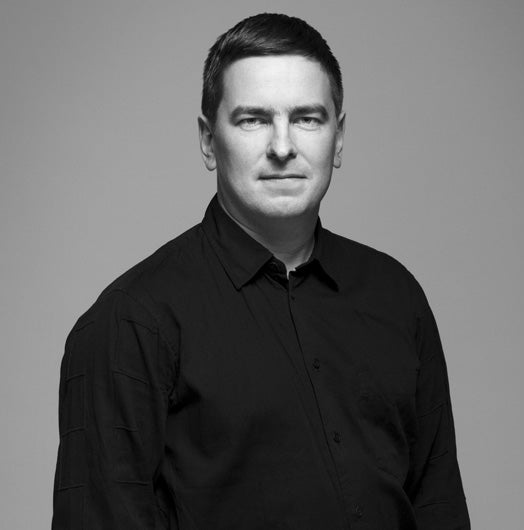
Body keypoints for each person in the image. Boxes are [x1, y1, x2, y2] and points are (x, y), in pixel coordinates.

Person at [52, 13, 470, 530]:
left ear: (339, 138)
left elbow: (439, 506)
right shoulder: (130, 322)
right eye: (253, 119)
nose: (282, 146)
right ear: (208, 140)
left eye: (307, 118)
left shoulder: (396, 296)